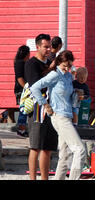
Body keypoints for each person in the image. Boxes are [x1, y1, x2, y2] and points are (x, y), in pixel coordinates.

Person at [30, 50, 86, 180]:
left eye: (69, 66)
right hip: (59, 116)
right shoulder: (54, 74)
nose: (66, 69)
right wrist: (45, 104)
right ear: (59, 62)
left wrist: (76, 95)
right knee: (80, 150)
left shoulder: (68, 76)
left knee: (65, 155)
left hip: (67, 115)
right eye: (64, 66)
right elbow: (35, 88)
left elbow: (66, 95)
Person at [24, 33, 57, 181]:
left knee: (48, 147)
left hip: (52, 107)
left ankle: (45, 178)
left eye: (49, 47)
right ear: (37, 47)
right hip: (38, 107)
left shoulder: (49, 62)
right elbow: (35, 85)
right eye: (45, 47)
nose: (48, 50)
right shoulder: (32, 64)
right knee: (35, 146)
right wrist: (50, 69)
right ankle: (33, 178)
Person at [14, 45, 30, 137]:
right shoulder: (20, 63)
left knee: (24, 109)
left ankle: (22, 129)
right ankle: (21, 130)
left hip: (23, 88)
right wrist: (26, 88)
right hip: (21, 89)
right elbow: (19, 78)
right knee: (23, 109)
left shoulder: (21, 62)